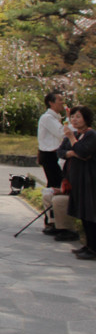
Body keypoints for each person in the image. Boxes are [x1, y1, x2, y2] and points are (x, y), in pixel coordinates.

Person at [64, 106, 96, 260]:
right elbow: (61, 151)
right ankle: (89, 245)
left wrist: (72, 140)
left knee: (90, 214)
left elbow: (84, 152)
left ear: (86, 118)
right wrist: (70, 152)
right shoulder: (78, 135)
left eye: (78, 116)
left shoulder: (91, 135)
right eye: (72, 117)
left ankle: (93, 248)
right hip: (78, 179)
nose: (74, 120)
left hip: (89, 180)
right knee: (83, 214)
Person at [37, 91, 66, 190]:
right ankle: (51, 204)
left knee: (56, 183)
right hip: (49, 155)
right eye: (60, 100)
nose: (63, 102)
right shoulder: (47, 118)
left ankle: (51, 203)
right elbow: (62, 133)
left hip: (53, 155)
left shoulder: (54, 118)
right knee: (55, 184)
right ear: (51, 103)